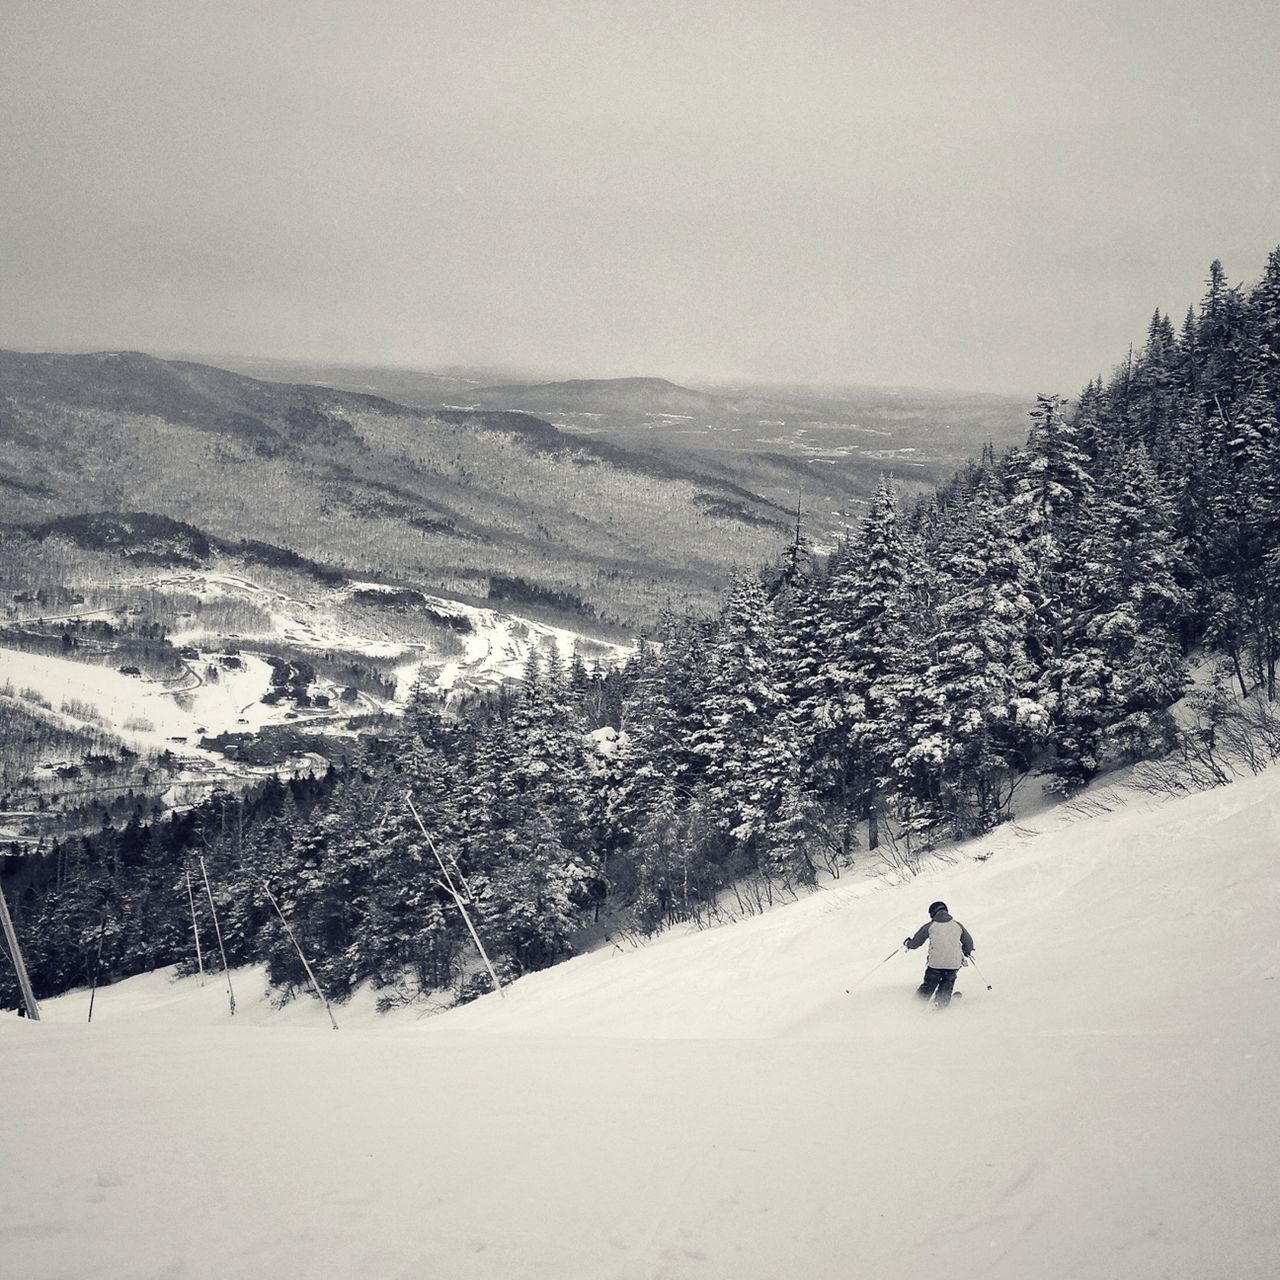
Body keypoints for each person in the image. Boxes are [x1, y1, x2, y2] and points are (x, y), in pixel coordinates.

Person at [903, 901, 974, 1007]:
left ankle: (916, 1006)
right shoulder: (957, 925)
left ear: (933, 913)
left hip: (935, 963)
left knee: (929, 985)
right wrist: (967, 951)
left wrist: (908, 943)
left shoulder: (930, 926)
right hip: (953, 963)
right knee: (947, 983)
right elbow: (968, 942)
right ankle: (941, 1004)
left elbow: (916, 943)